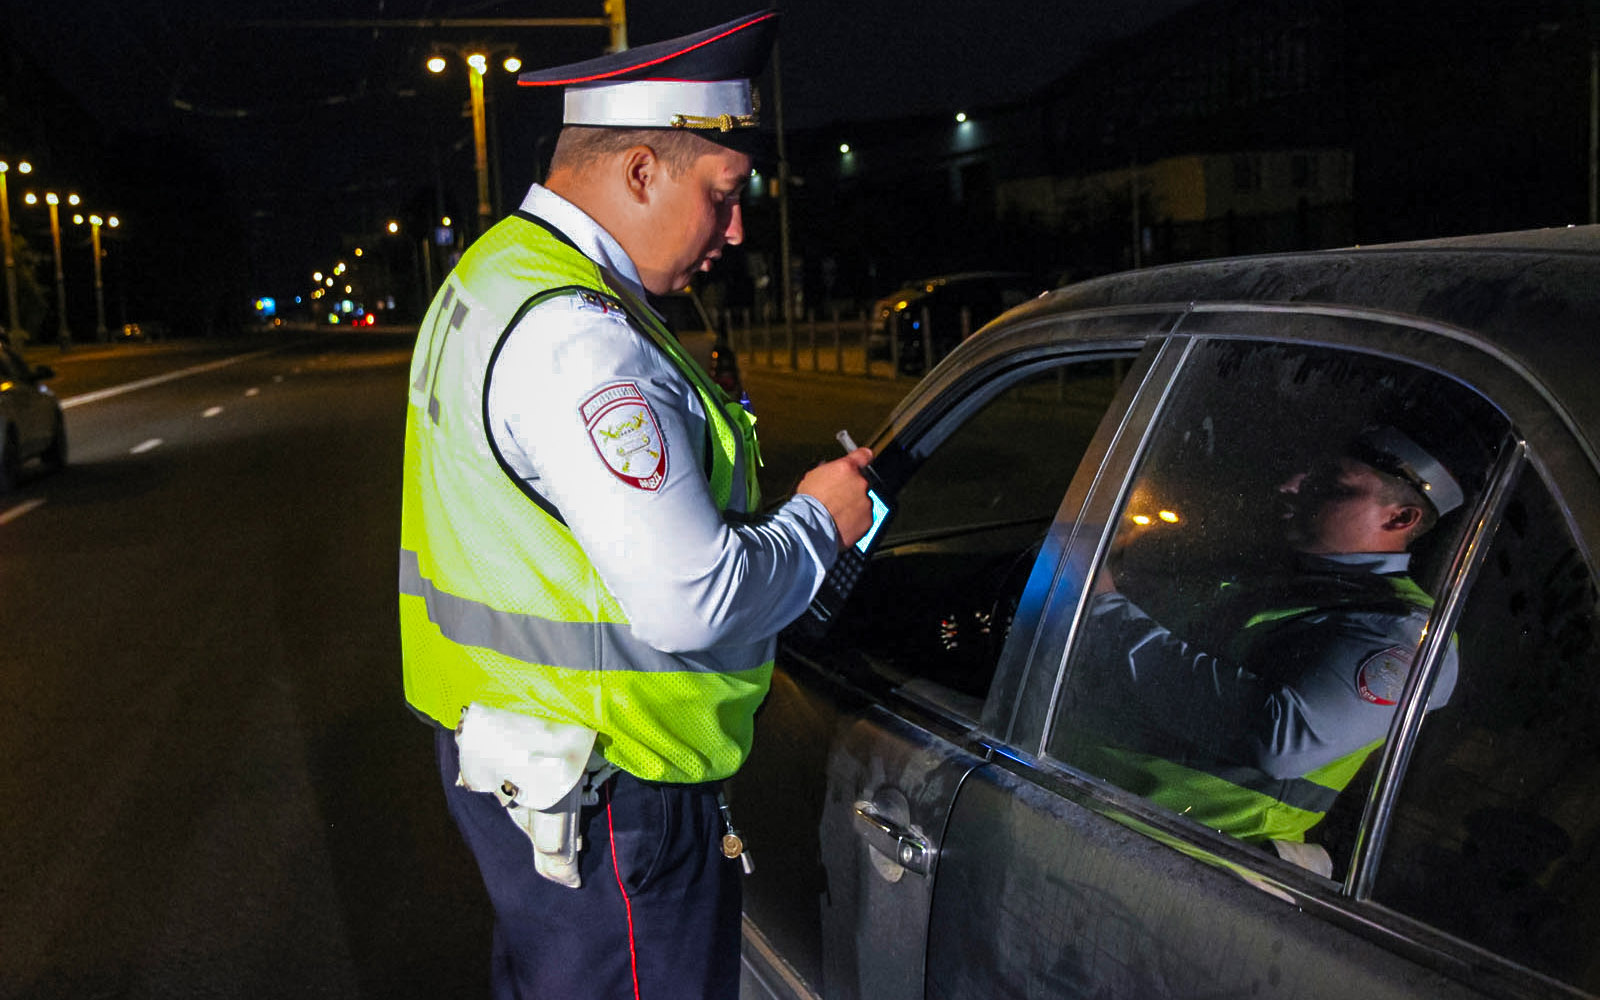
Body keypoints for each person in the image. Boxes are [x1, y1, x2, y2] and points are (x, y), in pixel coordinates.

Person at [396, 11, 873, 998]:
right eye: (724, 194)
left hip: (529, 760)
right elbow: (690, 599)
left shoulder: (493, 274)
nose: (735, 230)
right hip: (619, 794)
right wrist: (821, 520)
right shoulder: (583, 340)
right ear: (642, 171)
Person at [1075, 425, 1467, 860]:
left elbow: (1280, 738)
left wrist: (1102, 612)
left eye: (1329, 485)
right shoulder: (1284, 577)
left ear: (1398, 518)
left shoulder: (1403, 629)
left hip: (1184, 852)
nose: (1291, 486)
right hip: (1097, 809)